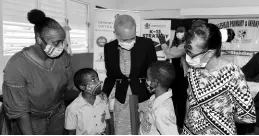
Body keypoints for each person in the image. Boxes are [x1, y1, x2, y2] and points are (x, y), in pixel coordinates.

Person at [2, 9, 78, 135]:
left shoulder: (63, 58)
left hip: (57, 113)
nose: (61, 47)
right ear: (38, 39)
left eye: (62, 41)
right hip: (31, 120)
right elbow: (20, 112)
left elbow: (71, 84)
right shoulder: (17, 65)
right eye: (56, 42)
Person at [182, 22, 256, 135]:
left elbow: (247, 117)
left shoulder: (233, 74)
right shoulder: (194, 70)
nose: (188, 58)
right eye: (187, 53)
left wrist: (220, 117)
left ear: (210, 53)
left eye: (192, 54)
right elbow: (190, 100)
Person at [103, 14, 157, 134]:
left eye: (132, 38)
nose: (129, 42)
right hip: (122, 96)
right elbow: (111, 75)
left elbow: (153, 70)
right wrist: (104, 93)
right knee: (122, 129)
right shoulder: (109, 48)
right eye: (124, 39)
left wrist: (155, 92)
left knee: (146, 130)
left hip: (143, 94)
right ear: (116, 34)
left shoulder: (146, 44)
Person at [158, 26, 189, 131]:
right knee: (172, 101)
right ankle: (172, 124)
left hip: (181, 78)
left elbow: (171, 53)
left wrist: (163, 43)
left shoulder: (186, 45)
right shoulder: (174, 44)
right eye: (178, 31)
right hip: (173, 77)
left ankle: (180, 127)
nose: (179, 33)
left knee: (180, 103)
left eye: (182, 31)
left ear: (186, 33)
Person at [64, 68, 110, 135]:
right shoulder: (73, 108)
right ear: (82, 87)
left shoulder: (103, 101)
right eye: (93, 80)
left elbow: (107, 123)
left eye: (98, 79)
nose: (99, 82)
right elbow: (71, 132)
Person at [139, 61, 178, 135]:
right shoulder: (154, 98)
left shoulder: (163, 111)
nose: (146, 80)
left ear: (154, 83)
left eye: (147, 78)